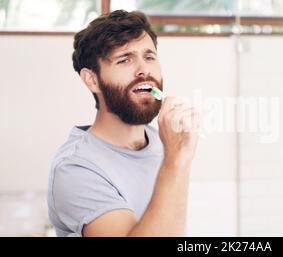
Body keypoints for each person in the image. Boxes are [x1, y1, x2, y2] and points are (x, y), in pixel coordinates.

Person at [47, 10, 200, 237]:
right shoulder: (75, 168)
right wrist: (175, 160)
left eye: (149, 57)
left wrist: (176, 154)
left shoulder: (163, 141)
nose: (144, 70)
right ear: (92, 79)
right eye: (125, 59)